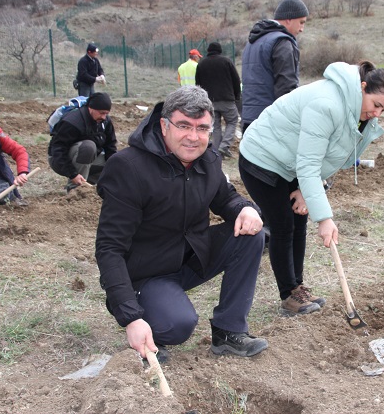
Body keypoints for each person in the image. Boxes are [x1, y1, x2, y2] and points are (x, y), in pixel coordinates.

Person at [95, 86, 268, 361]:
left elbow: (225, 198)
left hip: (189, 258)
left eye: (202, 129)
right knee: (177, 325)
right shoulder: (128, 168)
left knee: (251, 235)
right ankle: (148, 322)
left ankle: (229, 332)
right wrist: (130, 317)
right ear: (164, 126)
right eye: (184, 126)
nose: (193, 137)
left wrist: (245, 209)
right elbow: (109, 248)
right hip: (146, 273)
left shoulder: (207, 159)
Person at [239, 61, 384, 316]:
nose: (377, 114)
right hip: (263, 158)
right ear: (362, 87)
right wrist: (324, 218)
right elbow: (309, 163)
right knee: (283, 224)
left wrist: (310, 190)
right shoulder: (327, 104)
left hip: (293, 161)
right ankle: (289, 294)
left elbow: (331, 156)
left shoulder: (357, 113)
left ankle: (298, 287)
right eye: (376, 105)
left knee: (299, 218)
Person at [241, 0, 309, 133]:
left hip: (249, 119)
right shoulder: (282, 43)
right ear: (289, 19)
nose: (302, 29)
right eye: (301, 22)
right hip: (270, 123)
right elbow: (286, 89)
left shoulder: (253, 42)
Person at [48, 92, 117, 193]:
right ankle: (75, 190)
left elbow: (110, 146)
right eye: (101, 113)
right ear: (91, 108)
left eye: (106, 113)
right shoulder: (73, 122)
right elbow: (58, 150)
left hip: (88, 158)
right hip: (59, 160)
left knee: (114, 164)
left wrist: (115, 168)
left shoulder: (105, 121)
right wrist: (72, 174)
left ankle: (89, 186)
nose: (104, 117)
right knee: (88, 147)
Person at [195, 42, 241, 158]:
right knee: (232, 120)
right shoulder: (226, 61)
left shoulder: (201, 64)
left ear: (208, 51)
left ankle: (216, 150)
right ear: (220, 50)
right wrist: (237, 96)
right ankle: (224, 146)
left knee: (215, 125)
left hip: (209, 101)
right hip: (226, 99)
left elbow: (198, 84)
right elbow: (236, 80)